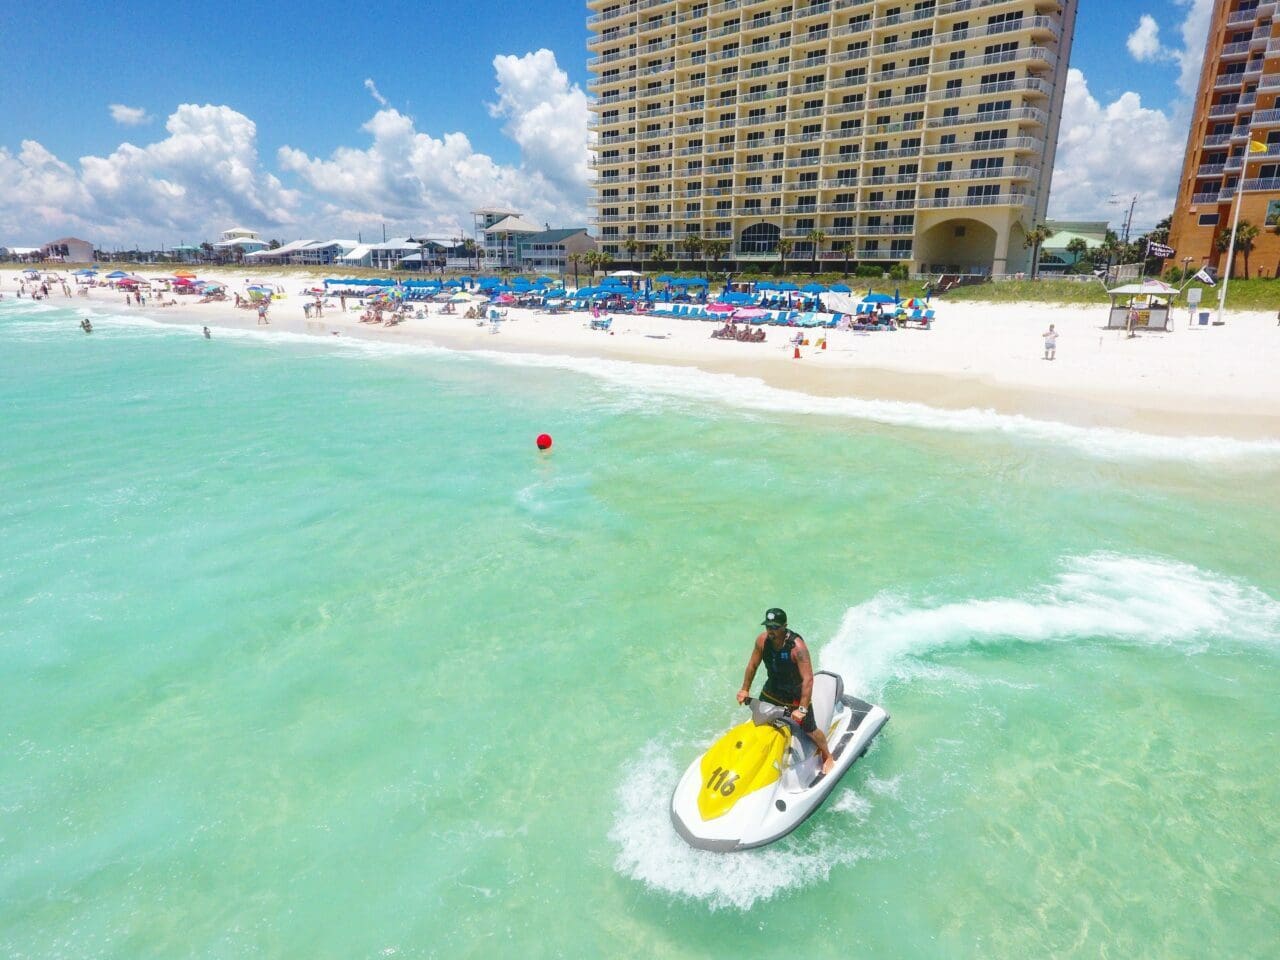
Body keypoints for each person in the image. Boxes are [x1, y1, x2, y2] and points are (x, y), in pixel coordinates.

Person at [737, 608, 835, 774]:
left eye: (775, 627)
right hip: (772, 690)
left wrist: (802, 709)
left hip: (794, 695)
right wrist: (744, 689)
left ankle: (828, 755)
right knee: (760, 718)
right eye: (768, 626)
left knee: (810, 730)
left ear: (784, 627)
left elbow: (808, 679)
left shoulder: (797, 648)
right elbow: (752, 665)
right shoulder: (762, 641)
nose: (770, 631)